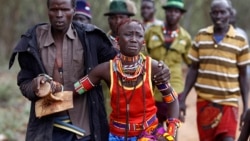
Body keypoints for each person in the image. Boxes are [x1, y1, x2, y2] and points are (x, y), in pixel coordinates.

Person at [8, 0, 170, 140]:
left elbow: (125, 59)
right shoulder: (33, 41)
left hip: (85, 127)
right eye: (54, 9)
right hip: (48, 127)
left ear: (73, 9)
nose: (59, 14)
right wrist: (36, 86)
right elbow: (24, 83)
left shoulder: (91, 38)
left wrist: (160, 68)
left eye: (64, 9)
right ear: (48, 10)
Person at [74, 19, 180, 141]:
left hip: (148, 134)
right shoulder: (105, 70)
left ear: (143, 42)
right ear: (118, 41)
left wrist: (171, 130)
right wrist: (57, 92)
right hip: (116, 136)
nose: (134, 39)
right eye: (128, 34)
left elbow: (171, 99)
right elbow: (77, 89)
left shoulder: (153, 67)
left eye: (139, 36)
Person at [178, 0, 250, 140]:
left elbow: (243, 76)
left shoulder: (240, 40)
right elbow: (193, 69)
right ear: (210, 14)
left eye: (222, 12)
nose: (219, 16)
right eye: (215, 12)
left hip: (229, 103)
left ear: (229, 13)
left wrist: (246, 106)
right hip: (205, 101)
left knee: (228, 138)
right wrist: (183, 99)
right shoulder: (201, 36)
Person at [144, 0, 192, 124]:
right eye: (170, 11)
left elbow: (192, 64)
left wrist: (184, 97)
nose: (172, 14)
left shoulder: (185, 37)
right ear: (165, 12)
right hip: (153, 89)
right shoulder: (151, 32)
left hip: (175, 88)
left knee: (173, 125)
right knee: (154, 127)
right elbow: (143, 55)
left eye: (176, 11)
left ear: (181, 14)